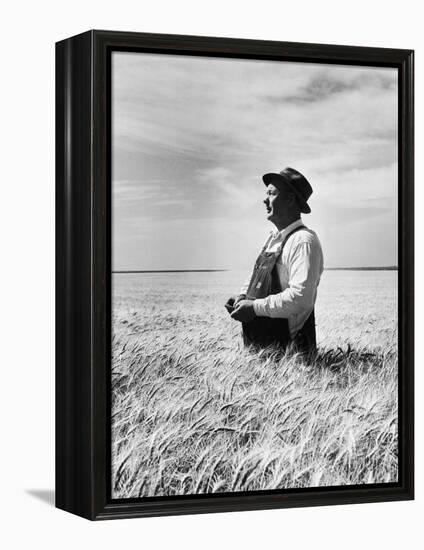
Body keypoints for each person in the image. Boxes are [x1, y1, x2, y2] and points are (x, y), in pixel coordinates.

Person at [225, 167, 324, 357]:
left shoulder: (303, 241)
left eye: (271, 193)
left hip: (290, 356)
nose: (265, 199)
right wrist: (242, 297)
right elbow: (254, 278)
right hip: (259, 353)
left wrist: (254, 308)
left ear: (290, 199)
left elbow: (300, 298)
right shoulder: (272, 239)